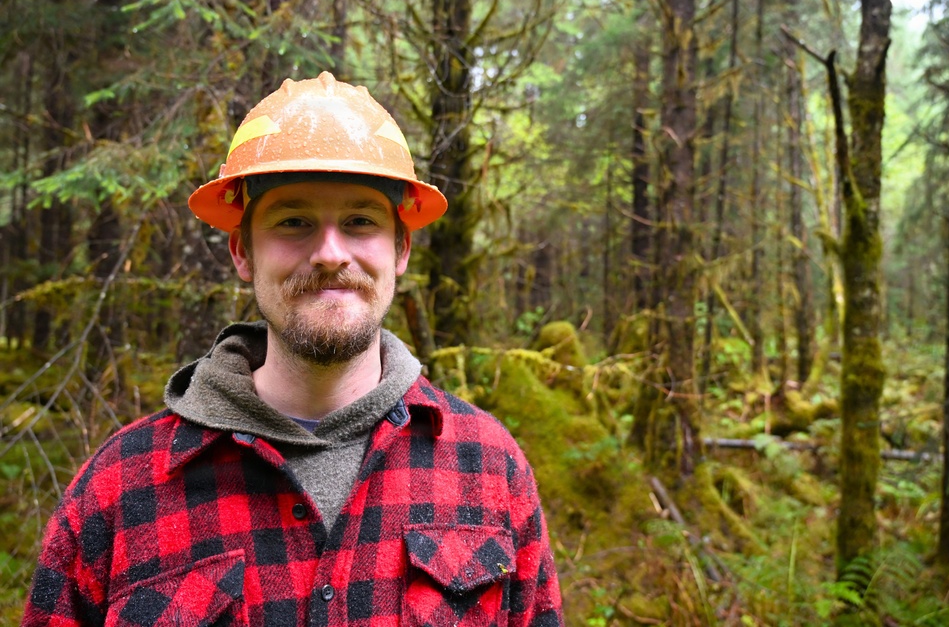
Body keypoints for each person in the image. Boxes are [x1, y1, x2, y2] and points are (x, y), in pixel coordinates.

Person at [22, 72, 563, 627]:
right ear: (242, 251)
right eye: (294, 221)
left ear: (400, 248)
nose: (330, 253)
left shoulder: (490, 468)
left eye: (359, 221)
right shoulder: (121, 486)